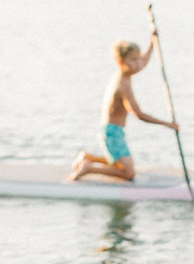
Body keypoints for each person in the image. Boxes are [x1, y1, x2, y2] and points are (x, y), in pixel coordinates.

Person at [69, 30, 178, 183]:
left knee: (124, 165)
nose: (138, 63)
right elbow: (138, 114)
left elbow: (142, 62)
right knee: (128, 173)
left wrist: (152, 43)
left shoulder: (124, 74)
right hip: (112, 134)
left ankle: (88, 157)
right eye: (133, 60)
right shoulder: (122, 85)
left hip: (114, 131)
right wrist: (168, 124)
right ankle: (89, 168)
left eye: (138, 58)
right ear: (121, 62)